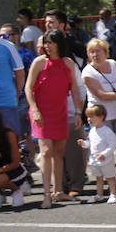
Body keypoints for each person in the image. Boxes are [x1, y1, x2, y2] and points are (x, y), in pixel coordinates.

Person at [25, 30, 84, 209]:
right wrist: (35, 110)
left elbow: (74, 89)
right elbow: (28, 88)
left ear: (59, 43)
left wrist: (79, 112)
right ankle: (46, 194)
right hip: (41, 112)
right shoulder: (39, 62)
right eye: (45, 43)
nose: (47, 46)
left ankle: (58, 191)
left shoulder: (68, 63)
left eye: (50, 42)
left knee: (59, 152)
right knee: (46, 152)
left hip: (60, 111)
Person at [81, 38, 116, 193]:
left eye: (98, 50)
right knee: (104, 151)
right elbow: (102, 95)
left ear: (106, 52)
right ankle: (107, 186)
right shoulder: (88, 72)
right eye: (92, 51)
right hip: (100, 118)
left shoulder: (114, 65)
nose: (95, 54)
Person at [78, 103, 116, 203]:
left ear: (101, 117)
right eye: (88, 117)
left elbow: (112, 145)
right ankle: (99, 194)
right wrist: (84, 143)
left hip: (106, 159)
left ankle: (113, 194)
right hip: (95, 160)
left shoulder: (107, 131)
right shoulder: (92, 131)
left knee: (110, 177)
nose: (89, 119)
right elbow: (90, 143)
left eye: (92, 116)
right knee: (98, 178)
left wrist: (104, 154)